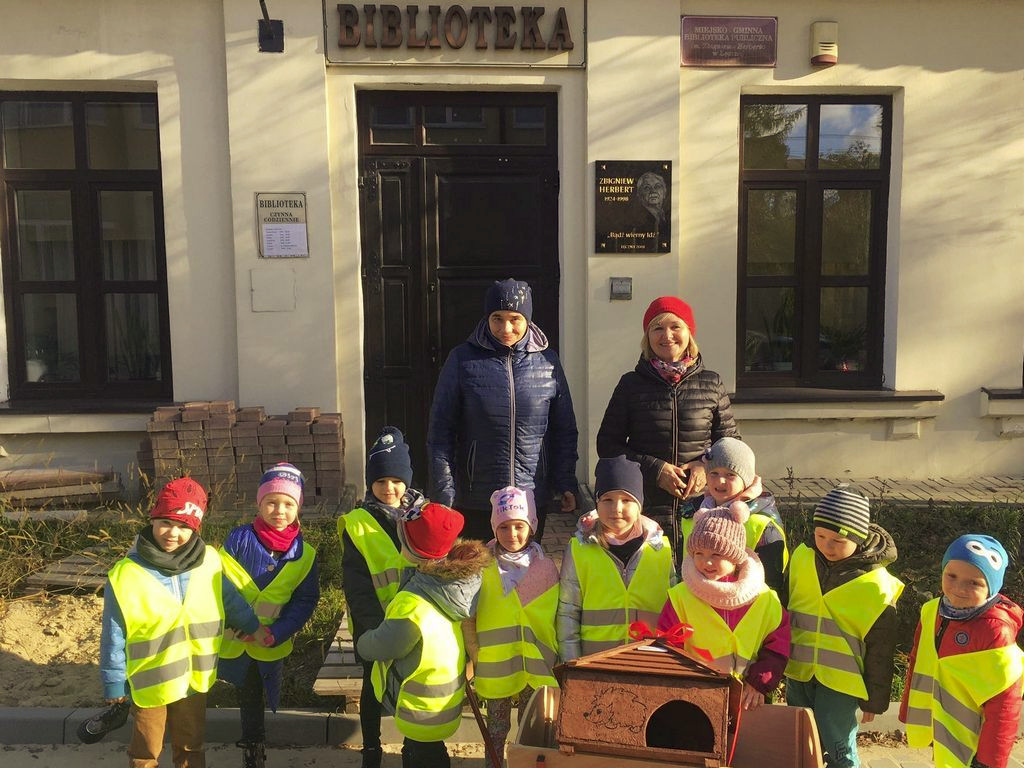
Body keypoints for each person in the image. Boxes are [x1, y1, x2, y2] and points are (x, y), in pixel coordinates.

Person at [99, 477, 268, 768]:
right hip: (149, 685)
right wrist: (114, 682)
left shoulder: (209, 562)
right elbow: (113, 634)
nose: (172, 533)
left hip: (192, 680)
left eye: (183, 526)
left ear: (195, 528)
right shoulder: (125, 575)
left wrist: (253, 627)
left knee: (191, 747)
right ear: (152, 519)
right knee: (145, 752)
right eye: (165, 522)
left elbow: (230, 600)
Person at [427, 278, 579, 542]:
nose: (505, 328)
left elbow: (563, 429)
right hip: (477, 497)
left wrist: (565, 481)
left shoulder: (548, 362)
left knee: (527, 566)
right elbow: (441, 432)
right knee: (479, 567)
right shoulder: (462, 360)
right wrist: (443, 491)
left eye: (515, 319)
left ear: (527, 320)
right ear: (487, 318)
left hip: (529, 497)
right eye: (497, 318)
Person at [356, 503, 491, 768]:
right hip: (445, 698)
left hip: (418, 705)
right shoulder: (455, 585)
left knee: (423, 756)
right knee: (429, 750)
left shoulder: (414, 601)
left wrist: (363, 642)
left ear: (415, 551)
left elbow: (388, 644)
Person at [596, 295, 739, 542]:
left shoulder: (712, 383)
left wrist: (705, 466)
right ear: (648, 337)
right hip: (647, 507)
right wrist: (655, 470)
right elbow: (608, 445)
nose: (667, 335)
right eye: (657, 328)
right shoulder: (630, 385)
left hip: (703, 508)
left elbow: (732, 445)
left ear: (689, 333)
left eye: (675, 327)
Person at [783, 485, 903, 768]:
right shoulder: (801, 558)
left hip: (841, 682)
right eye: (820, 536)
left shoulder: (877, 584)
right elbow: (782, 610)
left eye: (838, 540)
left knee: (839, 750)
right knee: (800, 742)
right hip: (799, 672)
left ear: (858, 539)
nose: (827, 545)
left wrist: (874, 700)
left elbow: (881, 648)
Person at [218, 463, 320, 768]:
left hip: (270, 640)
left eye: (288, 504)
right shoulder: (239, 540)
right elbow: (218, 584)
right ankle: (252, 748)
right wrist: (240, 625)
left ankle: (256, 743)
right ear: (259, 503)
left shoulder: (305, 554)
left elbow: (304, 600)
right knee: (246, 692)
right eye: (271, 502)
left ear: (298, 508)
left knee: (261, 690)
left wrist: (279, 632)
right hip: (237, 638)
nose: (279, 511)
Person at [899, 534, 1023, 768]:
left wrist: (988, 761)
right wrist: (909, 709)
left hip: (975, 744)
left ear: (991, 588)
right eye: (951, 576)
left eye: (974, 583)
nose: (958, 588)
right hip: (944, 730)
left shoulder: (996, 631)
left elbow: (1005, 703)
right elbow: (917, 662)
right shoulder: (931, 611)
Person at [338, 427, 422, 768]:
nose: (389, 488)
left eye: (396, 480)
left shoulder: (421, 516)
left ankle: (412, 745)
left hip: (412, 623)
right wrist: (375, 628)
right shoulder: (358, 523)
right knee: (372, 685)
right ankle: (371, 747)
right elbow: (356, 584)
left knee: (411, 684)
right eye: (381, 481)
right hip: (372, 624)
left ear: (407, 482)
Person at [658, 501, 789, 710]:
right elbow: (668, 646)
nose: (706, 562)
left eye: (716, 554)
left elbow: (778, 645)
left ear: (735, 557)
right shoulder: (680, 597)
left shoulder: (764, 598)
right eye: (699, 554)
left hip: (749, 698)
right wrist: (683, 683)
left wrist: (759, 683)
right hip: (695, 698)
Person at [463, 487, 559, 768]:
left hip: (536, 667)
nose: (512, 534)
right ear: (494, 527)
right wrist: (474, 653)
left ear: (532, 526)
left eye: (519, 526)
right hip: (497, 666)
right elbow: (468, 615)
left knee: (532, 732)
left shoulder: (545, 567)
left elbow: (556, 614)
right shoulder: (481, 566)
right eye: (504, 527)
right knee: (496, 730)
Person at [557, 455, 675, 661]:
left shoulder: (661, 549)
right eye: (607, 500)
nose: (616, 509)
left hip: (649, 662)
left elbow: (673, 610)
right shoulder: (579, 549)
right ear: (597, 503)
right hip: (596, 663)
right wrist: (572, 665)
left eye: (627, 500)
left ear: (639, 505)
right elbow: (568, 613)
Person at [679, 437, 788, 593]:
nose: (720, 481)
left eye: (730, 475)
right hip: (695, 600)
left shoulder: (762, 523)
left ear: (746, 480)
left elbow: (771, 584)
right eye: (714, 473)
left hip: (744, 603)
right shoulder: (692, 514)